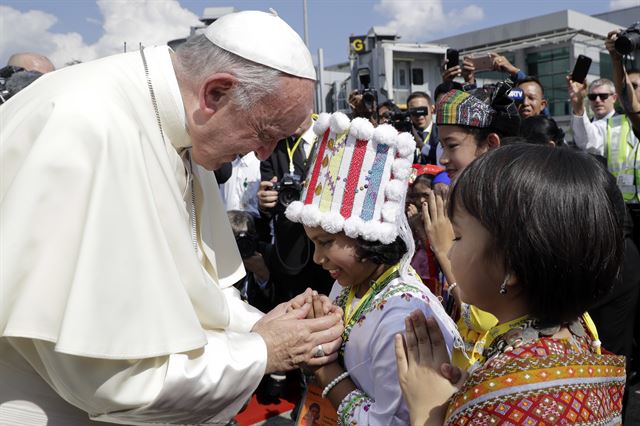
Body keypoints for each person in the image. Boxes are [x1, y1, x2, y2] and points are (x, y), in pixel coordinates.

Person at [0, 10, 344, 425]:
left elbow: (188, 290)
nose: (264, 155)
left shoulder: (183, 127)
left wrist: (270, 324)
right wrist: (264, 350)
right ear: (215, 94)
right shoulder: (88, 129)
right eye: (265, 132)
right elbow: (113, 379)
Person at [396, 144, 626, 425]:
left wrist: (428, 412)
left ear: (513, 265)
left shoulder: (500, 397)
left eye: (457, 237)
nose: (448, 250)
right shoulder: (579, 337)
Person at [285, 112, 462, 425]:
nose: (316, 258)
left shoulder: (402, 319)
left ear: (366, 237)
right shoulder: (350, 283)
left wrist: (324, 367)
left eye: (325, 242)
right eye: (313, 244)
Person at [568, 77, 617, 153]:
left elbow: (592, 144)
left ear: (614, 98)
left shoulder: (625, 124)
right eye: (592, 97)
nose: (597, 100)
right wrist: (577, 102)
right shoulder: (581, 125)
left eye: (603, 96)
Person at [407, 91, 441, 165]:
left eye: (422, 109)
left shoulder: (442, 132)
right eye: (414, 111)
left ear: (432, 109)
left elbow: (442, 157)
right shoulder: (404, 134)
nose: (419, 115)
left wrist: (421, 145)